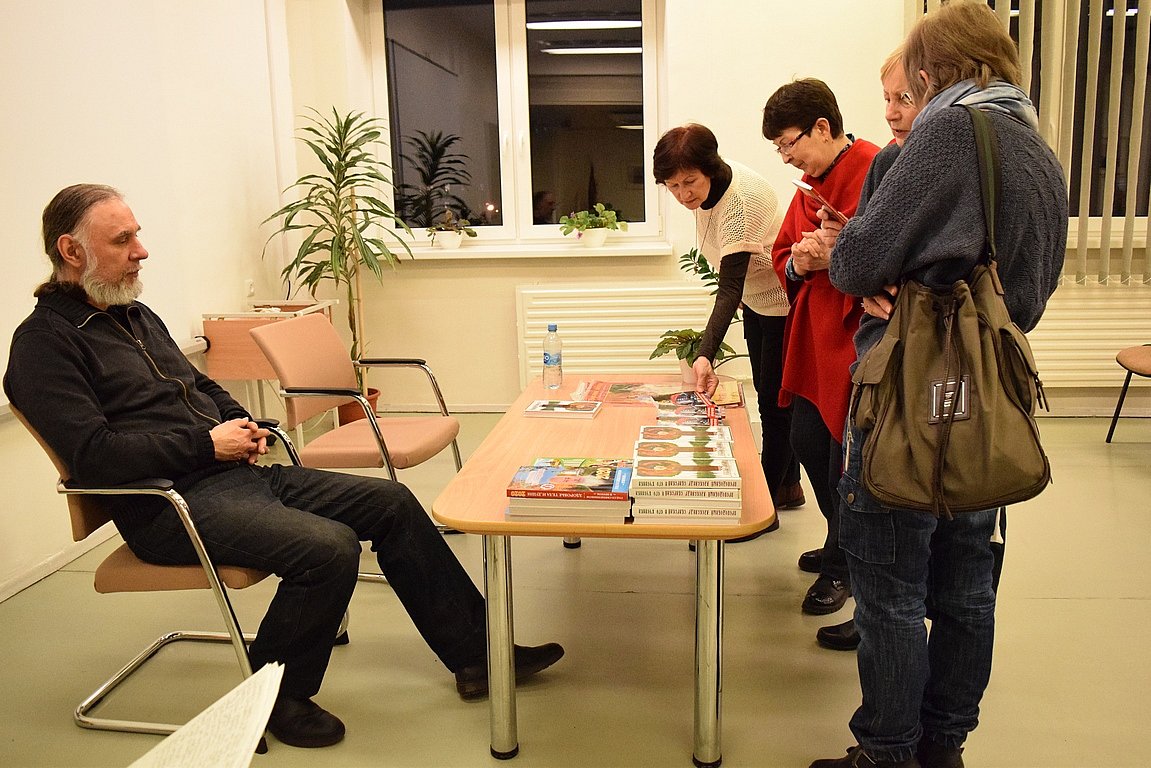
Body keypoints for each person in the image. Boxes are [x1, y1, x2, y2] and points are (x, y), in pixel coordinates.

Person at [4, 184, 565, 750]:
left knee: (392, 503)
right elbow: (94, 456)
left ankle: (477, 656)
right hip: (168, 507)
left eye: (137, 235)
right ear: (71, 251)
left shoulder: (134, 315)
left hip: (231, 477)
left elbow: (198, 385)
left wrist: (242, 424)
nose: (141, 250)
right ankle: (275, 696)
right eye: (122, 240)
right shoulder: (42, 346)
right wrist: (206, 445)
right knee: (328, 548)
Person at [812, 3, 1067, 767]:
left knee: (890, 587)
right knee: (966, 584)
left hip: (905, 394)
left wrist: (871, 273)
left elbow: (856, 263)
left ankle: (886, 750)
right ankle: (942, 743)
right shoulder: (1034, 144)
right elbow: (1028, 292)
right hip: (986, 399)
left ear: (928, 72)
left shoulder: (948, 131)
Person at [814, 48, 923, 654]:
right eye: (886, 98)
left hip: (915, 372)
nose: (891, 113)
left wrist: (849, 257)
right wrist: (844, 252)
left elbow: (859, 268)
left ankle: (897, 723)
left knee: (906, 539)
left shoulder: (899, 163)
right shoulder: (892, 161)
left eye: (904, 98)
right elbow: (858, 269)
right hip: (900, 363)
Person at [761, 80, 880, 616]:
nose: (788, 157)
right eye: (780, 149)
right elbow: (782, 253)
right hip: (814, 336)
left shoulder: (876, 168)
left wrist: (838, 253)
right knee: (807, 440)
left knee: (843, 461)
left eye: (789, 143)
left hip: (856, 338)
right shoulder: (809, 184)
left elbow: (889, 255)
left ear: (823, 128)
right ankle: (839, 538)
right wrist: (800, 261)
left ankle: (846, 566)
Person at [653, 123, 804, 535]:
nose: (683, 194)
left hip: (783, 303)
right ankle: (789, 486)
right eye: (672, 186)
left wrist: (704, 354)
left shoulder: (739, 204)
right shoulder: (708, 190)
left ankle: (763, 509)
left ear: (710, 167)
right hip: (757, 299)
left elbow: (729, 286)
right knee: (772, 397)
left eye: (689, 182)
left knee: (774, 406)